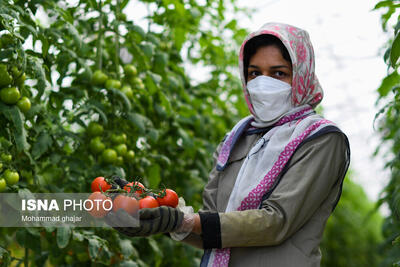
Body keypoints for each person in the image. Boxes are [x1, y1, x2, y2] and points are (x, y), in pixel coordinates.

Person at [105, 22, 350, 267]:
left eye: (279, 73)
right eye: (254, 73)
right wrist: (164, 215)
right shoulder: (237, 138)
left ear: (301, 76)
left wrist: (186, 221)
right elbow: (214, 229)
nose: (263, 84)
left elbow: (276, 222)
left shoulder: (321, 139)